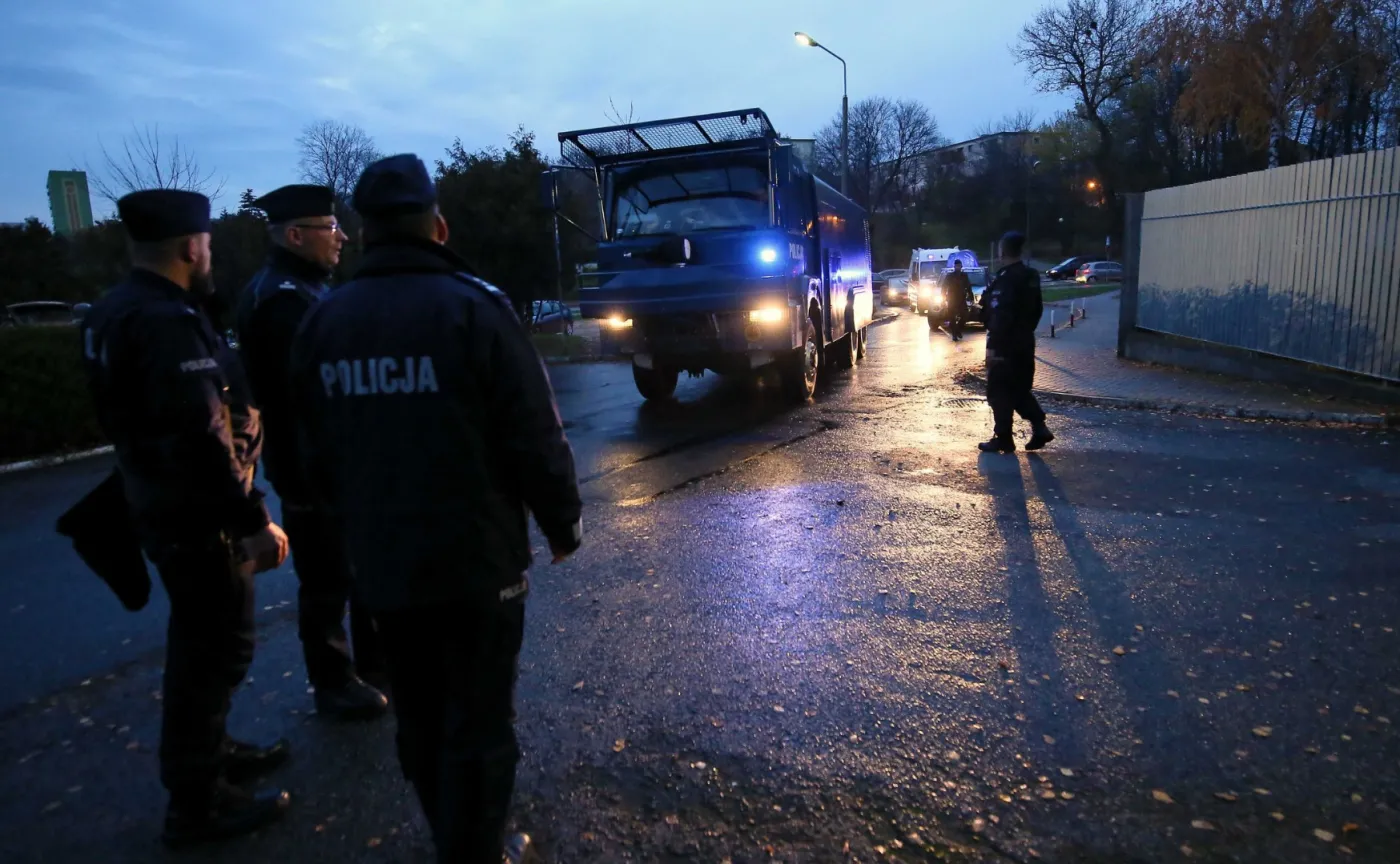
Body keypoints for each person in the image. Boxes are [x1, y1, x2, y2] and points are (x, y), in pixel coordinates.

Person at [289, 154, 582, 864]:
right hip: (479, 563)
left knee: (418, 712)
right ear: (439, 227)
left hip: (385, 566)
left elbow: (306, 451)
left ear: (362, 235)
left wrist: (346, 525)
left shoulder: (324, 323)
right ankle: (474, 848)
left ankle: (449, 835)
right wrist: (561, 521)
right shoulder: (475, 307)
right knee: (481, 718)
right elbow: (533, 432)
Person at [79, 189, 292, 846]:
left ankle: (214, 753)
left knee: (201, 645)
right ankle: (197, 802)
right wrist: (253, 515)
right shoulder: (166, 319)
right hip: (199, 518)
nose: (210, 254)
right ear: (189, 246)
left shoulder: (111, 311)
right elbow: (202, 435)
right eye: (206, 244)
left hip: (158, 505)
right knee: (214, 650)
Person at [235, 184, 389, 721]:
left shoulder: (301, 290)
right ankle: (334, 680)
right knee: (326, 578)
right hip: (312, 463)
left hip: (330, 459)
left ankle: (375, 664)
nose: (341, 237)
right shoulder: (283, 300)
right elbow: (304, 393)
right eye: (330, 228)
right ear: (296, 235)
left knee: (357, 564)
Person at [978, 232, 1054, 453]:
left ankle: (1003, 438)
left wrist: (995, 345)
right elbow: (1037, 310)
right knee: (1019, 389)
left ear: (1002, 251)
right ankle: (1039, 427)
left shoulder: (1006, 280)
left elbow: (1000, 314)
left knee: (998, 391)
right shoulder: (1030, 276)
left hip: (1004, 345)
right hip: (1024, 343)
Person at [939, 259, 975, 340]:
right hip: (952, 299)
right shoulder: (950, 276)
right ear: (954, 266)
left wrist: (971, 298)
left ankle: (958, 329)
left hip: (961, 299)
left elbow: (968, 287)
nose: (958, 267)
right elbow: (944, 287)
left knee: (965, 315)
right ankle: (954, 335)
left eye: (959, 266)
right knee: (952, 317)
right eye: (956, 266)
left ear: (961, 266)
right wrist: (943, 298)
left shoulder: (964, 276)